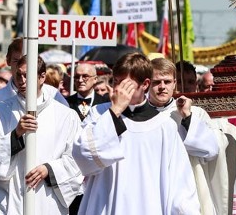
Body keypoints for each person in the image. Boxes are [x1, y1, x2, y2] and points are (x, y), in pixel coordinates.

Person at [73, 52, 199, 214]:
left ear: (145, 84)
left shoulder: (164, 126)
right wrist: (115, 111)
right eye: (116, 82)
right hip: (106, 205)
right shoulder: (99, 114)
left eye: (126, 85)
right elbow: (83, 157)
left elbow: (181, 186)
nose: (118, 90)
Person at [0, 56, 82, 215]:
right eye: (18, 75)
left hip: (47, 198)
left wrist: (49, 169)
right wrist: (15, 135)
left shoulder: (66, 115)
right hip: (7, 201)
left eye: (27, 75)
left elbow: (77, 158)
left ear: (42, 77)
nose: (21, 80)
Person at [148, 58, 224, 214]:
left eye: (167, 82)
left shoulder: (194, 113)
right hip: (150, 189)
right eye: (157, 82)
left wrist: (187, 118)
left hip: (184, 190)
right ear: (147, 83)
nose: (162, 87)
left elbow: (210, 150)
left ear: (174, 83)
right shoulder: (139, 115)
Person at [0, 38, 68, 113]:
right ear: (8, 61)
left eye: (26, 61)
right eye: (17, 61)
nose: (21, 66)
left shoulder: (52, 94)